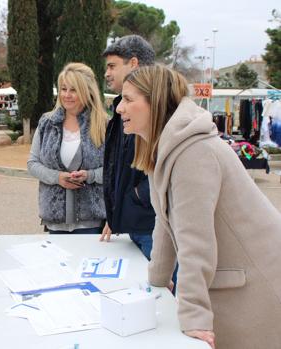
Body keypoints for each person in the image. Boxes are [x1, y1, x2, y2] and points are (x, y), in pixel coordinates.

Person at [118, 64, 281, 349]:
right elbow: (165, 222)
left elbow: (196, 241)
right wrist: (158, 279)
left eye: (129, 99)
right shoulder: (169, 147)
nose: (120, 108)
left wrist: (194, 318)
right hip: (244, 278)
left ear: (154, 103)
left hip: (258, 282)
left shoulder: (194, 152)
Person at [28, 62, 107, 234]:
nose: (67, 95)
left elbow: (115, 169)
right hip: (55, 222)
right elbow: (33, 164)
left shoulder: (104, 125)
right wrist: (57, 177)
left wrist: (90, 175)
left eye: (74, 90)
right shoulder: (46, 123)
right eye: (63, 89)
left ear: (87, 91)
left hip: (92, 223)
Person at [99, 35, 157, 260]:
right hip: (134, 225)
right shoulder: (120, 109)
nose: (107, 73)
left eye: (112, 66)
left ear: (133, 64)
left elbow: (165, 169)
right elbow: (120, 167)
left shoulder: (158, 110)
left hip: (151, 227)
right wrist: (117, 215)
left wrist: (136, 197)